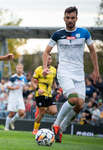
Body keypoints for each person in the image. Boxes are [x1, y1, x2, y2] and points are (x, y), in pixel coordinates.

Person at [42, 6, 100, 142]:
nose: (70, 20)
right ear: (64, 18)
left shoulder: (84, 33)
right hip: (64, 71)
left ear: (76, 18)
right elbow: (46, 52)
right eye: (67, 18)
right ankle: (56, 125)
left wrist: (96, 69)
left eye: (72, 18)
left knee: (80, 105)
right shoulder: (57, 34)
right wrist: (45, 67)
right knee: (73, 99)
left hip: (79, 72)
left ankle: (60, 130)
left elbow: (92, 50)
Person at [31, 54, 61, 134]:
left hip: (49, 94)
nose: (48, 60)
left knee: (54, 111)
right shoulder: (38, 70)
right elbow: (32, 82)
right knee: (42, 113)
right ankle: (35, 130)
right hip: (40, 94)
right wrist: (38, 89)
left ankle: (39, 109)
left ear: (51, 60)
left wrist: (57, 89)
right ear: (43, 60)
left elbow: (53, 81)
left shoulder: (54, 70)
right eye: (46, 59)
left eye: (49, 59)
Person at [4, 63, 27, 130]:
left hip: (19, 98)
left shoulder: (24, 78)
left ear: (22, 69)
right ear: (16, 69)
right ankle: (6, 127)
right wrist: (15, 88)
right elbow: (8, 87)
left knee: (22, 113)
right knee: (11, 113)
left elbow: (24, 86)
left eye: (20, 68)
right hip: (12, 98)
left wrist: (25, 88)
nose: (19, 69)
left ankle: (12, 121)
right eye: (18, 68)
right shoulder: (13, 77)